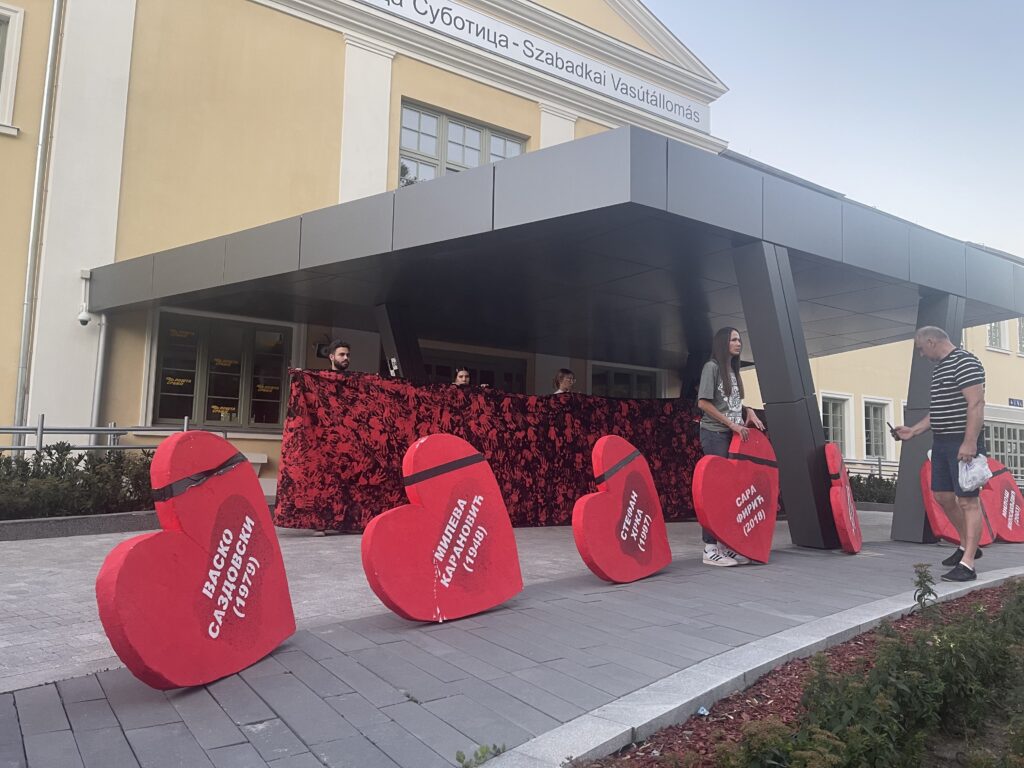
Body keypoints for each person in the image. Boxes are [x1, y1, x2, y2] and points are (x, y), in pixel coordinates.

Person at [895, 326, 986, 582]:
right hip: (942, 442)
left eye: (921, 349)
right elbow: (938, 411)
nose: (922, 354)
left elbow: (976, 403)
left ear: (932, 341)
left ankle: (968, 564)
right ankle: (967, 545)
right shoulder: (940, 369)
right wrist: (913, 431)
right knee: (943, 497)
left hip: (962, 442)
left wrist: (970, 442)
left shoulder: (965, 362)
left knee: (968, 501)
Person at [696, 327, 765, 567]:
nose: (739, 343)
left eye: (739, 339)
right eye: (734, 339)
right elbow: (703, 403)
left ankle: (725, 545)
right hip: (715, 435)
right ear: (723, 342)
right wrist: (731, 424)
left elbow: (730, 403)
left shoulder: (733, 371)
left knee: (730, 493)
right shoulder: (711, 367)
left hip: (731, 436)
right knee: (716, 491)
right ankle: (710, 548)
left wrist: (748, 411)